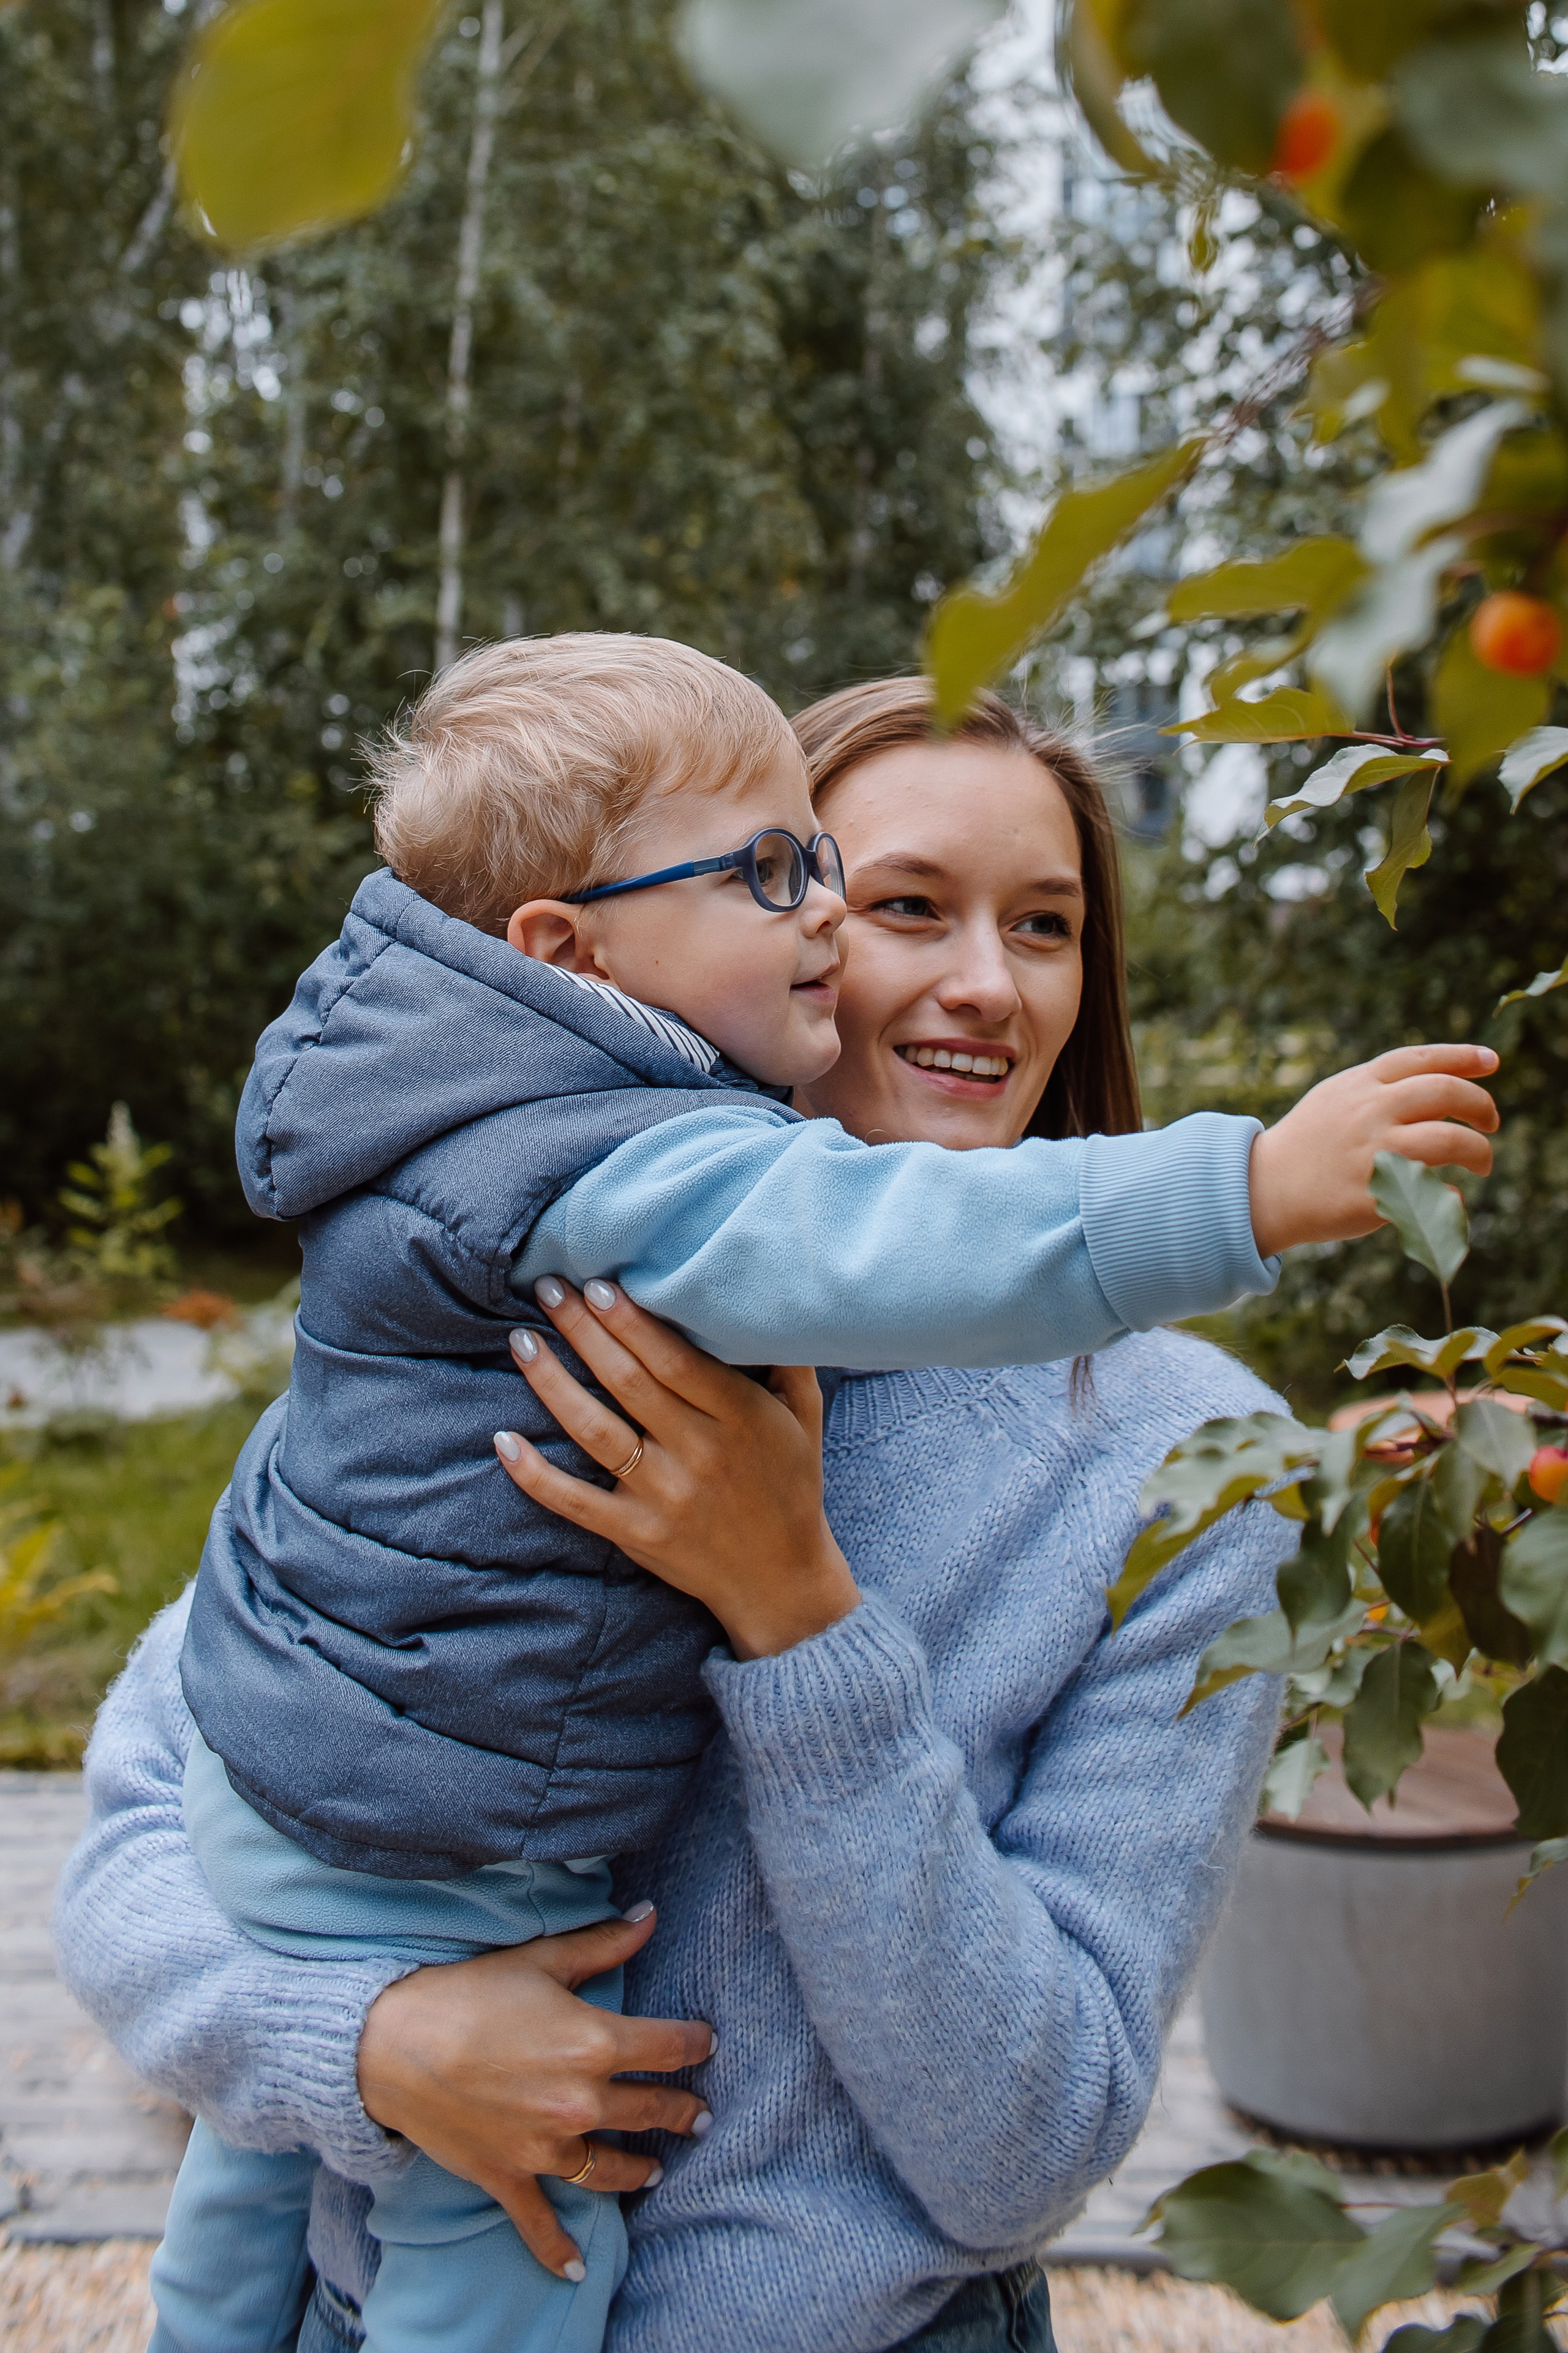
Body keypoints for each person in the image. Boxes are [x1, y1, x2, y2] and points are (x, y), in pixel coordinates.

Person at [55, 676, 1501, 2353]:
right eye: (901, 905)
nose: (984, 982)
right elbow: (158, 1834)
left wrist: (796, 1607)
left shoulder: (1188, 1468)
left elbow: (1029, 2148)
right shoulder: (517, 1301)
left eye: (1046, 924)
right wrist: (364, 2043)